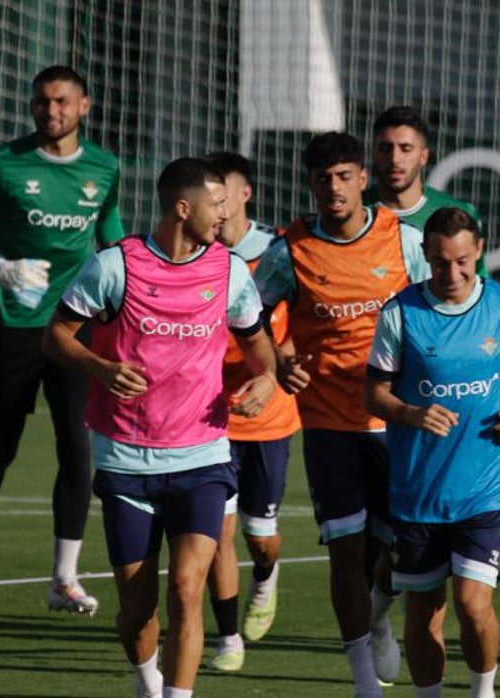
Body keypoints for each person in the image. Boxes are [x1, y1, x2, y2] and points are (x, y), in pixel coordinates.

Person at [42, 158, 276, 698]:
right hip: (125, 460)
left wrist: (266, 381)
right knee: (136, 610)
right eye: (216, 205)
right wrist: (100, 367)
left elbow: (261, 351)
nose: (225, 215)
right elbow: (55, 337)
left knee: (187, 591)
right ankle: (149, 682)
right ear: (183, 207)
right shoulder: (113, 267)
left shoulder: (230, 271)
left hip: (202, 457)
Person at [253, 131, 431, 696]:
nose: (334, 188)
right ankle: (363, 684)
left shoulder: (405, 242)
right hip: (329, 423)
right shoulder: (291, 249)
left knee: (397, 551)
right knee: (346, 549)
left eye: (344, 176)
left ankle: (379, 616)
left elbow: (437, 315)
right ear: (310, 184)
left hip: (396, 423)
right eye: (322, 178)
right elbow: (249, 316)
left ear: (362, 178)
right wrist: (279, 360)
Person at [0, 64, 125, 615]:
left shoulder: (105, 168)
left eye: (60, 102)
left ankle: (64, 578)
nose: (49, 112)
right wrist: (2, 268)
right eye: (40, 102)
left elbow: (112, 243)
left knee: (78, 450)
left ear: (84, 108)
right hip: (15, 324)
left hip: (76, 330)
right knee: (0, 444)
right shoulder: (2, 163)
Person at [365, 207, 500, 698]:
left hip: (485, 486)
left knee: (472, 602)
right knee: (424, 611)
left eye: (462, 261)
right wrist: (411, 413)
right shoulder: (401, 313)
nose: (453, 274)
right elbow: (373, 395)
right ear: (426, 257)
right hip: (419, 491)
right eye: (441, 263)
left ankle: (482, 692)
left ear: (479, 251)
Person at [200, 151, 301, 672]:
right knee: (217, 532)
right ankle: (228, 636)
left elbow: (297, 328)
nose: (214, 206)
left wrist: (280, 365)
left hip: (268, 417)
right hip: (207, 417)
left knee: (260, 538)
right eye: (206, 196)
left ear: (244, 195)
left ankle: (265, 577)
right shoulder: (193, 253)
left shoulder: (280, 253)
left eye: (223, 194)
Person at [370, 105, 488, 277]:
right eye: (385, 148)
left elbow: (479, 286)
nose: (395, 159)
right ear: (374, 152)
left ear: (424, 156)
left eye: (405, 148)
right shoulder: (355, 212)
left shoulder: (461, 213)